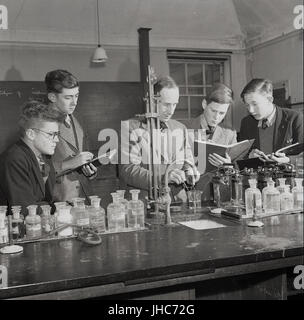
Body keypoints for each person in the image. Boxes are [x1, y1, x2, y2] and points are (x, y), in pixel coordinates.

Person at [119, 76, 200, 202]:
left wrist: (190, 172)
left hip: (177, 201)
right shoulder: (130, 127)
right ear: (152, 101)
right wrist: (163, 178)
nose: (171, 110)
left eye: (174, 104)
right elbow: (128, 170)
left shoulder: (180, 128)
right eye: (166, 104)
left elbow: (187, 162)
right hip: (144, 202)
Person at [0, 100, 65, 214]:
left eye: (57, 134)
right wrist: (59, 211)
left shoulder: (44, 156)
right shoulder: (14, 159)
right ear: (31, 134)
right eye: (51, 134)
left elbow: (46, 200)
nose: (56, 140)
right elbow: (25, 209)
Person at [45, 69, 97, 202]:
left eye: (76, 96)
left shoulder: (77, 119)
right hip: (58, 201)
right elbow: (35, 169)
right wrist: (69, 164)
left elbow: (83, 156)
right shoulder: (41, 123)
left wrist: (90, 170)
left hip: (84, 199)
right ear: (52, 97)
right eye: (68, 97)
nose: (74, 102)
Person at [184, 83, 237, 200]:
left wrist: (228, 166)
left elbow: (236, 172)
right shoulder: (184, 128)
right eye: (213, 111)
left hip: (220, 197)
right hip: (190, 195)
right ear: (204, 104)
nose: (216, 117)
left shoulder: (230, 133)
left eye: (222, 113)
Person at [239, 78, 303, 163]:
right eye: (247, 105)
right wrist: (249, 156)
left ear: (270, 99)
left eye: (255, 104)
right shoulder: (246, 123)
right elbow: (240, 157)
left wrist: (288, 160)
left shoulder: (295, 118)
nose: (250, 110)